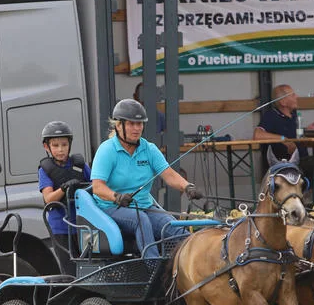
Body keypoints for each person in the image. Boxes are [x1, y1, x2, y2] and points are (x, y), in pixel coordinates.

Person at [91, 99, 203, 259]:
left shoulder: (149, 149)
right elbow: (97, 188)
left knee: (173, 227)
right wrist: (116, 197)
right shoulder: (107, 150)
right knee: (141, 219)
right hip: (111, 208)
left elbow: (169, 175)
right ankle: (152, 266)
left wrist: (187, 187)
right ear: (118, 125)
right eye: (131, 124)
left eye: (140, 124)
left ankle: (189, 267)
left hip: (144, 206)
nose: (137, 128)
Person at [252, 83, 314, 202]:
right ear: (283, 102)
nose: (296, 97)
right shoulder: (271, 115)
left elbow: (293, 134)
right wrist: (283, 139)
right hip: (287, 163)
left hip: (304, 159)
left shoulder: (294, 115)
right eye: (292, 95)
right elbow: (257, 135)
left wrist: (306, 131)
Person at [37, 120, 91, 273]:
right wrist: (64, 187)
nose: (60, 150)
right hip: (61, 227)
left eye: (64, 145)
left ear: (70, 144)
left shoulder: (80, 164)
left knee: (89, 266)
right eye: (55, 146)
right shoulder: (45, 169)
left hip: (84, 225)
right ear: (46, 146)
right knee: (69, 270)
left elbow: (96, 186)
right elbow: (49, 199)